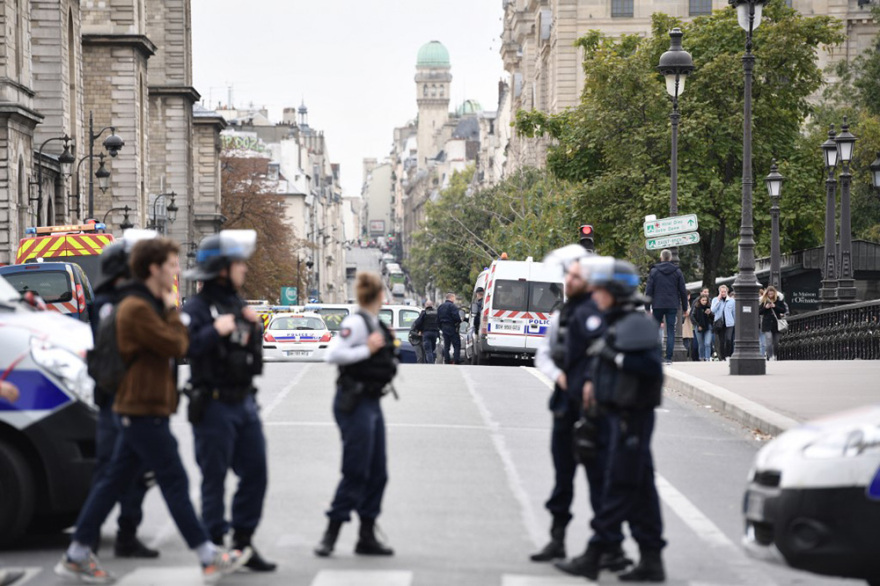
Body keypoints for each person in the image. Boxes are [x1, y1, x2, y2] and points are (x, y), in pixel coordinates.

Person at [55, 238, 249, 584]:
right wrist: (172, 307)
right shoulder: (137, 308)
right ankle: (207, 556)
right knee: (175, 480)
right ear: (154, 269)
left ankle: (77, 554)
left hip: (141, 408)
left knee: (112, 482)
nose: (177, 272)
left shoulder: (143, 304)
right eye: (172, 266)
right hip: (142, 409)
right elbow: (179, 344)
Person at [531, 246, 631, 575]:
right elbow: (543, 354)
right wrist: (559, 376)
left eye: (574, 276)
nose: (567, 280)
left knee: (598, 478)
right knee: (563, 478)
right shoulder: (562, 314)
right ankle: (557, 538)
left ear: (588, 283)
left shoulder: (595, 312)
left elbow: (601, 354)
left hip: (592, 411)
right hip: (564, 406)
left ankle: (610, 547)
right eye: (568, 275)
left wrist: (588, 381)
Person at [182, 230, 276, 572]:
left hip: (244, 402)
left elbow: (249, 352)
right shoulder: (196, 307)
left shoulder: (238, 305)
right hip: (214, 404)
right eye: (238, 263)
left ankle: (243, 542)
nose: (244, 269)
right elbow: (185, 347)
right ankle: (214, 548)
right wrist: (215, 330)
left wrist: (253, 328)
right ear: (222, 269)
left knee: (256, 472)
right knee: (214, 478)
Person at [577, 257, 667, 582]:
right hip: (619, 417)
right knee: (641, 489)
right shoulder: (620, 322)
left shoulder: (636, 324)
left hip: (631, 418)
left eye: (600, 290)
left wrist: (613, 356)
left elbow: (650, 370)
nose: (595, 296)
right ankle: (651, 558)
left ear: (614, 292)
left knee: (618, 486)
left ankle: (596, 552)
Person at [315, 272, 398, 558]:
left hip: (372, 402)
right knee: (355, 470)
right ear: (379, 296)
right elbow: (332, 355)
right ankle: (332, 532)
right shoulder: (357, 322)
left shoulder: (377, 323)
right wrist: (367, 349)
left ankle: (366, 534)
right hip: (354, 403)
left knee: (378, 472)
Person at [87, 238, 158, 559]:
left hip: (138, 398)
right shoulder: (104, 303)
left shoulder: (138, 300)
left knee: (139, 472)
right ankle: (87, 540)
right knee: (107, 471)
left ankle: (127, 534)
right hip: (113, 398)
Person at [644, 249, 689, 364]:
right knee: (670, 331)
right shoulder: (677, 272)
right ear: (670, 258)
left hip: (657, 304)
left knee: (656, 329)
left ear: (661, 258)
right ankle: (669, 358)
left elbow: (648, 290)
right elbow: (683, 291)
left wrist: (647, 308)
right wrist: (685, 307)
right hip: (672, 304)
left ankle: (658, 356)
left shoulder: (654, 271)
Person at [759, 286, 788, 361]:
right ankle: (770, 356)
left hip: (776, 324)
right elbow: (759, 312)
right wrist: (766, 307)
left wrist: (775, 306)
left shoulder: (779, 301)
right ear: (767, 293)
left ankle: (775, 355)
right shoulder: (764, 301)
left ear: (774, 293)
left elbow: (783, 310)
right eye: (769, 292)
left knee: (776, 342)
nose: (770, 294)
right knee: (768, 340)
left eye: (772, 292)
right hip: (767, 324)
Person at [711, 285, 736, 360]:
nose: (723, 293)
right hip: (720, 324)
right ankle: (722, 357)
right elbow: (713, 310)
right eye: (721, 292)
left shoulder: (732, 301)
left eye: (724, 292)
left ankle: (728, 355)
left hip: (729, 323)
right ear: (719, 292)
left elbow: (734, 312)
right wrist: (718, 300)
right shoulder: (715, 300)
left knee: (728, 339)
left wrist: (735, 322)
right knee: (721, 341)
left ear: (727, 291)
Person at [437, 292, 462, 364]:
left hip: (444, 328)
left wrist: (441, 327)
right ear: (451, 298)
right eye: (454, 298)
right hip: (452, 327)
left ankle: (447, 360)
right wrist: (459, 321)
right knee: (456, 344)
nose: (454, 299)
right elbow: (456, 317)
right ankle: (456, 360)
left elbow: (437, 319)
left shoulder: (440, 307)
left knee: (446, 345)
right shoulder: (452, 306)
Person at [691, 293, 714, 361]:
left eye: (705, 300)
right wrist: (698, 325)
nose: (704, 302)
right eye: (703, 300)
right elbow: (692, 317)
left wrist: (710, 314)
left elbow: (713, 318)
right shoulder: (696, 307)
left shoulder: (710, 307)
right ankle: (701, 357)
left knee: (707, 343)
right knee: (701, 344)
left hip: (708, 327)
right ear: (700, 300)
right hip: (699, 327)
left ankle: (707, 358)